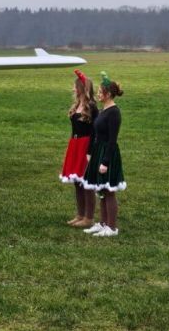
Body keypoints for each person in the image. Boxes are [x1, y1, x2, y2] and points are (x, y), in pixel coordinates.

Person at [82, 71, 126, 237]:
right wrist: (90, 152)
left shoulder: (114, 113)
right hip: (98, 151)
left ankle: (112, 227)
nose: (98, 95)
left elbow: (112, 140)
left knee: (108, 191)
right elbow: (96, 134)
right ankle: (102, 223)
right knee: (100, 189)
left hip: (108, 153)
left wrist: (105, 162)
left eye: (100, 92)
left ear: (108, 94)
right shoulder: (102, 110)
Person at [60, 69, 98, 228]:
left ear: (82, 88)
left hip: (85, 146)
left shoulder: (92, 107)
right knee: (76, 181)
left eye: (75, 86)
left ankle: (89, 218)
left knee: (86, 182)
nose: (73, 89)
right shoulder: (77, 105)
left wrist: (90, 151)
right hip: (75, 145)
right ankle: (80, 214)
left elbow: (95, 132)